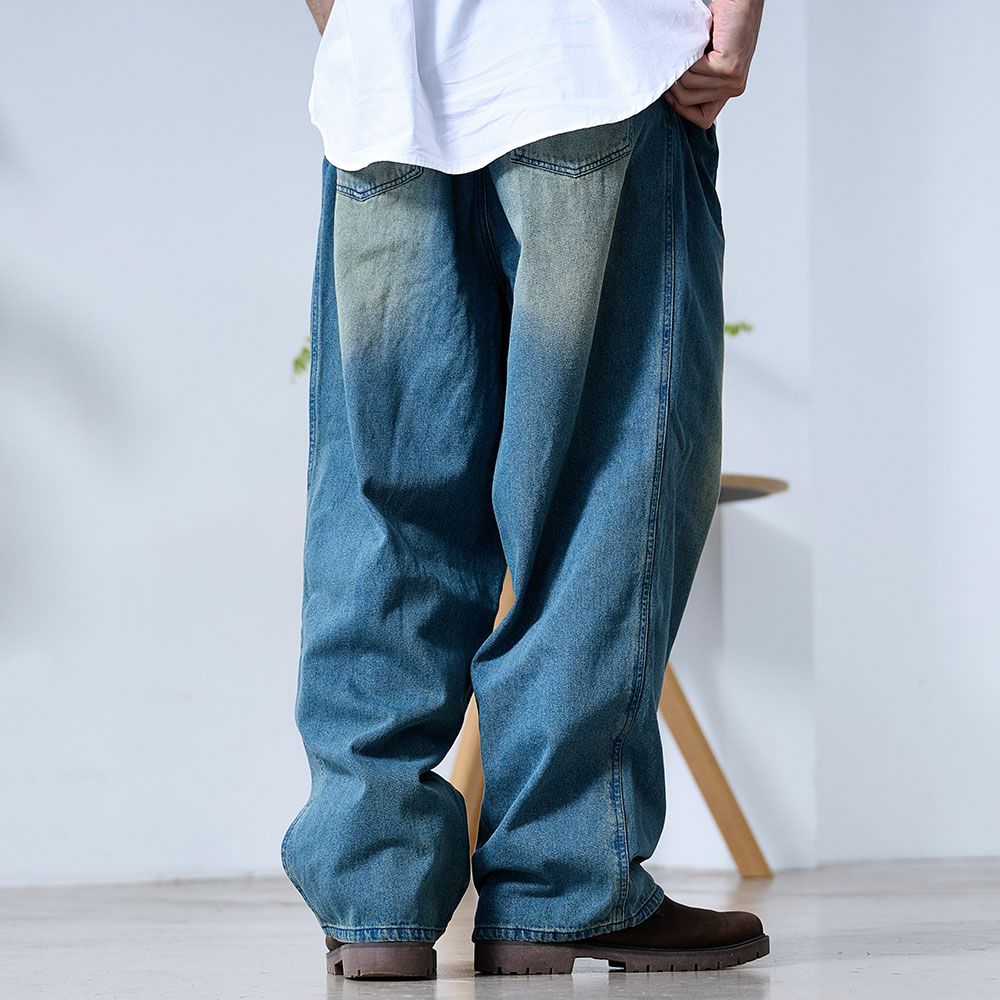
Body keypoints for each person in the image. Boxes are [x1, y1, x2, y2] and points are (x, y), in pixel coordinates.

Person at [282, 0, 767, 981]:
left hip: (387, 83)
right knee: (597, 500)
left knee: (383, 510)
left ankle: (375, 896)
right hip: (592, 63)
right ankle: (561, 882)